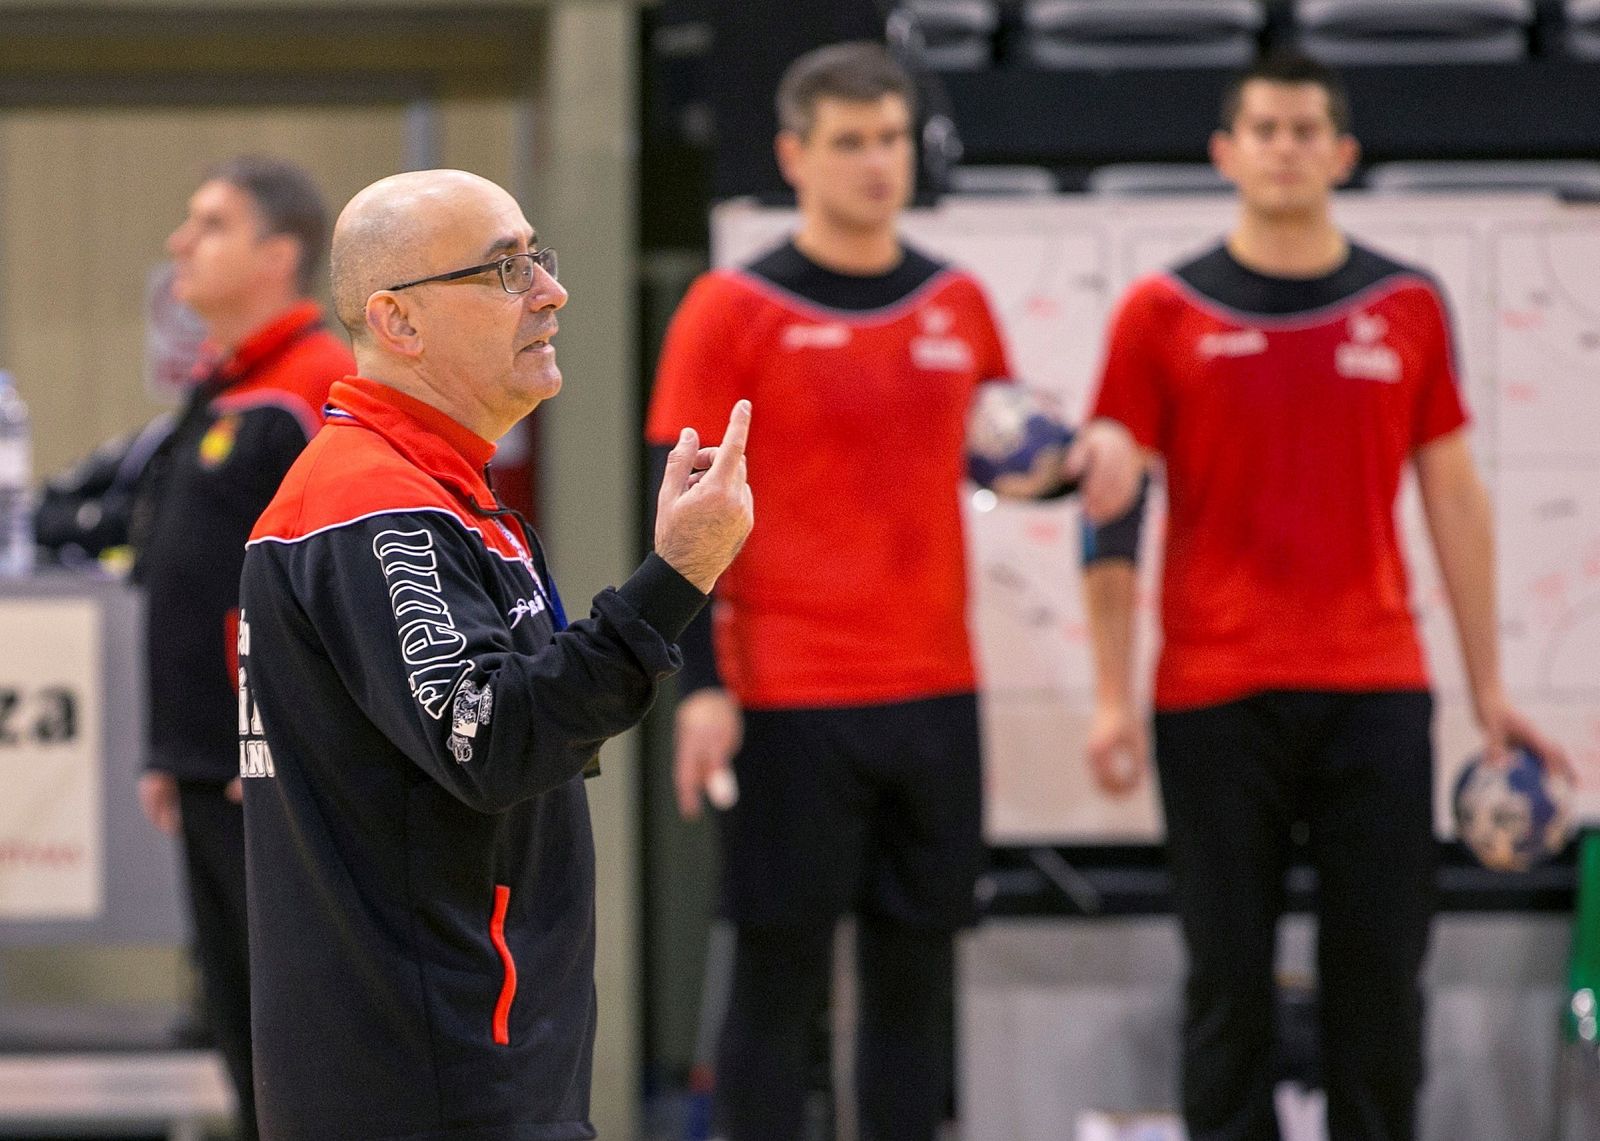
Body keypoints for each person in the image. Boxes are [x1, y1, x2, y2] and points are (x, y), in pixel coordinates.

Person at [645, 42, 1140, 1141]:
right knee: (777, 985)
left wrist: (1087, 457)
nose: (878, 163)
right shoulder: (734, 308)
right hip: (786, 699)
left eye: (893, 139)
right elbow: (675, 515)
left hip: (934, 694)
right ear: (795, 155)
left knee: (915, 987)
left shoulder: (955, 304)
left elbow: (1005, 457)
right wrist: (703, 687)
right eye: (852, 143)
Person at [1081, 50, 1573, 1141]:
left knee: (1379, 987)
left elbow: (1454, 498)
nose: (1286, 146)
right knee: (1226, 987)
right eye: (1264, 127)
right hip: (1212, 696)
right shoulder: (1159, 312)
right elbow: (1107, 515)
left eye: (1307, 129)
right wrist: (1111, 695)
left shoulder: (1403, 303)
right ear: (1225, 151)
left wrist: (1490, 690)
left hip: (1375, 691)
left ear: (1342, 153)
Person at [236, 168, 753, 1141]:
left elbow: (529, 734)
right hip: (428, 1083)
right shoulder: (374, 509)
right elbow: (493, 738)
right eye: (505, 270)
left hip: (466, 1064)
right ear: (399, 322)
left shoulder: (438, 495)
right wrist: (675, 577)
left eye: (538, 259)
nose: (550, 292)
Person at [132, 155, 353, 1140]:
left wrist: (281, 735)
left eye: (208, 224)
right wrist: (171, 746)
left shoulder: (315, 385)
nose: (181, 243)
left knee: (302, 1041)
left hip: (266, 769)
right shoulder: (227, 387)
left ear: (279, 255)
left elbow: (337, 583)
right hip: (206, 763)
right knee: (239, 1031)